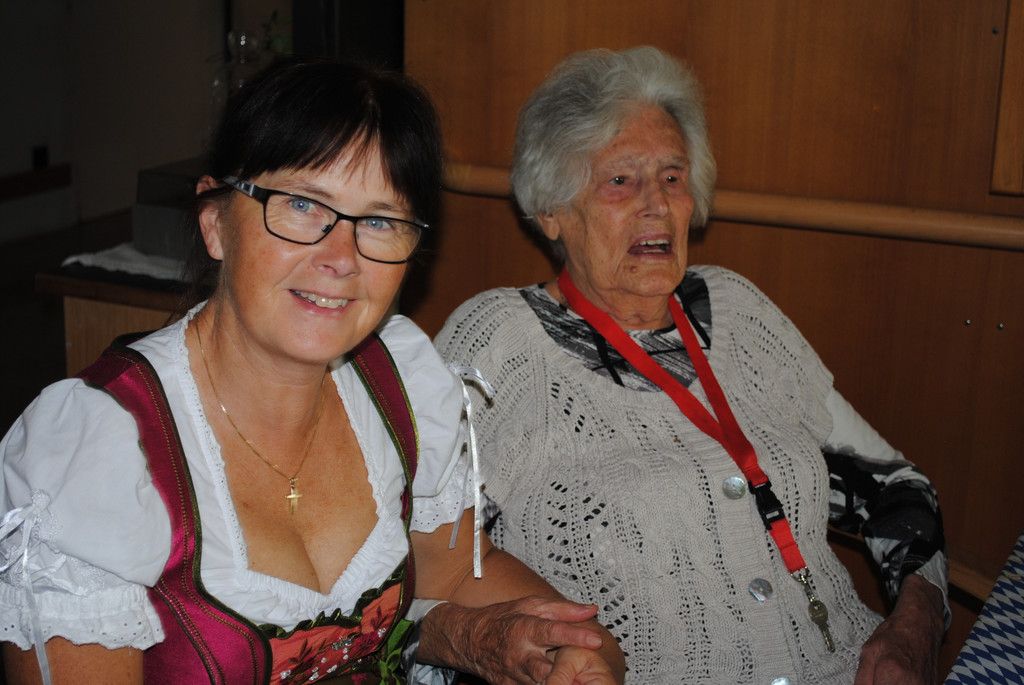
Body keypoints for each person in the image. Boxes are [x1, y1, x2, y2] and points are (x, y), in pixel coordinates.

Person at [0, 58, 624, 684]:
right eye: (302, 205)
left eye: (379, 221)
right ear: (216, 223)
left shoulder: (398, 381)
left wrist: (576, 648)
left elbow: (455, 571)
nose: (341, 257)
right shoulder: (100, 452)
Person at [435, 46, 947, 684]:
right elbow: (424, 571)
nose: (656, 203)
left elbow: (894, 486)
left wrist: (914, 626)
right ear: (552, 212)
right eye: (621, 180)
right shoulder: (500, 345)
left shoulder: (736, 309)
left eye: (673, 177)